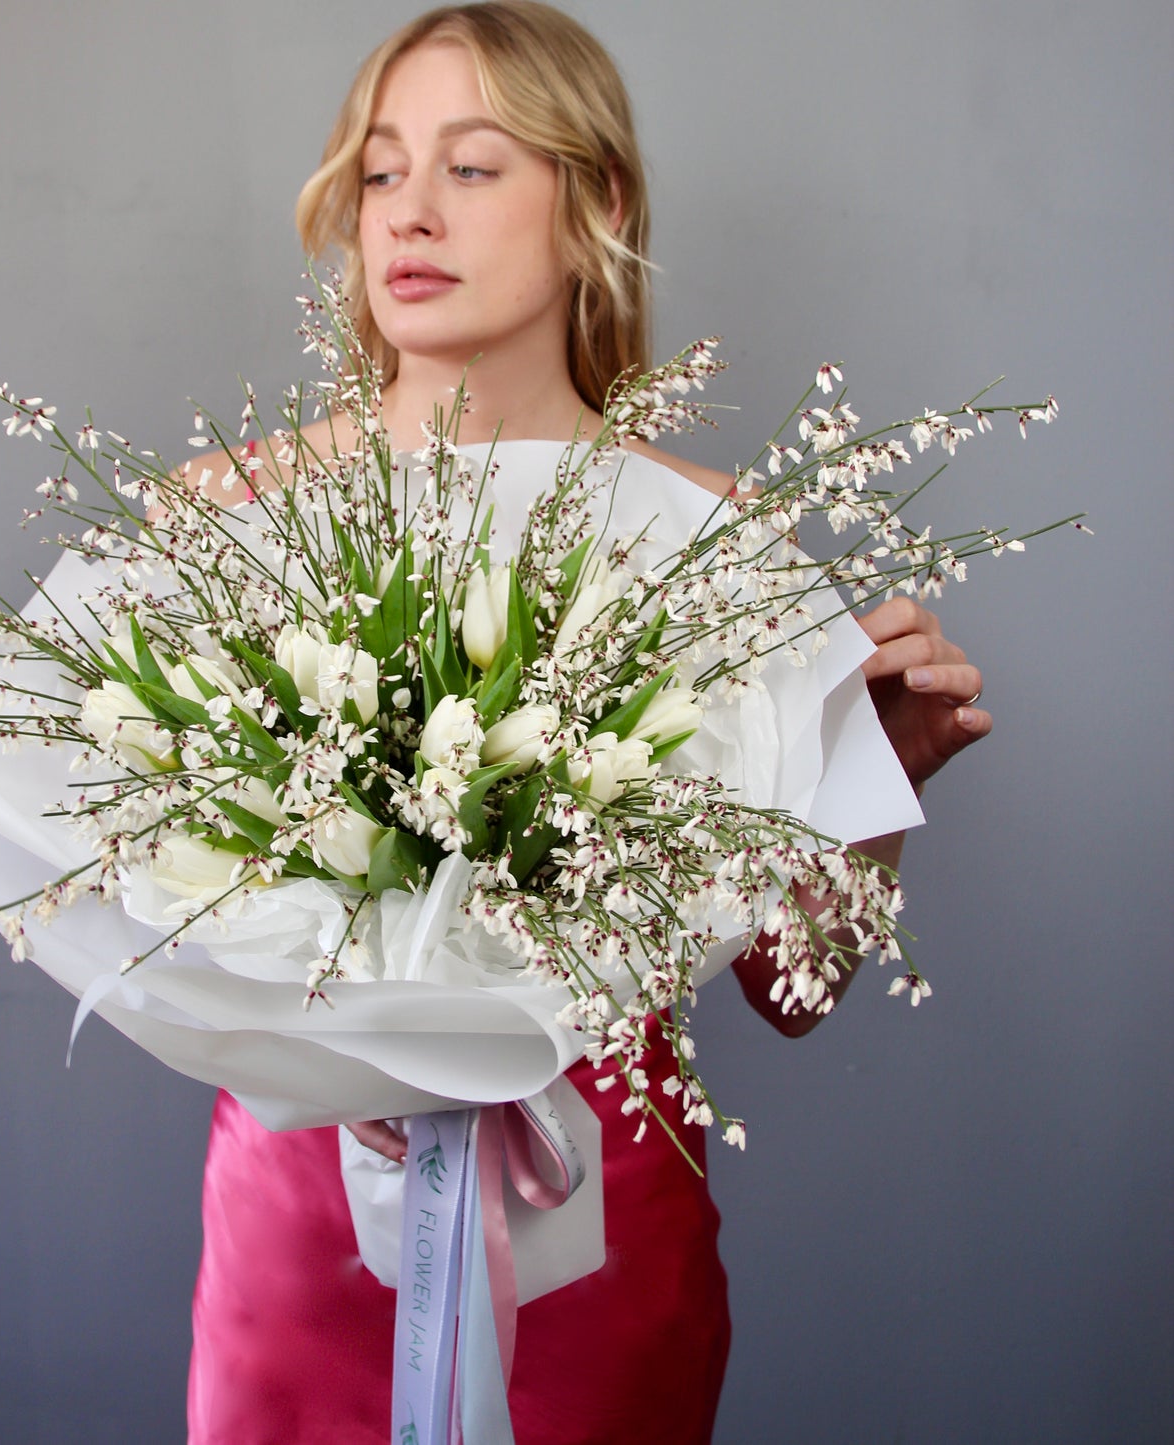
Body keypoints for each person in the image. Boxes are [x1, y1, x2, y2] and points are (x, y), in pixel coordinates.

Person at [180, 5, 988, 1441]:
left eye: (474, 167)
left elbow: (793, 998)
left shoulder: (710, 541)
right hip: (301, 1232)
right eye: (378, 172)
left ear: (595, 201)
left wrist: (875, 791)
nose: (409, 212)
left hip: (600, 1227)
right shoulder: (223, 521)